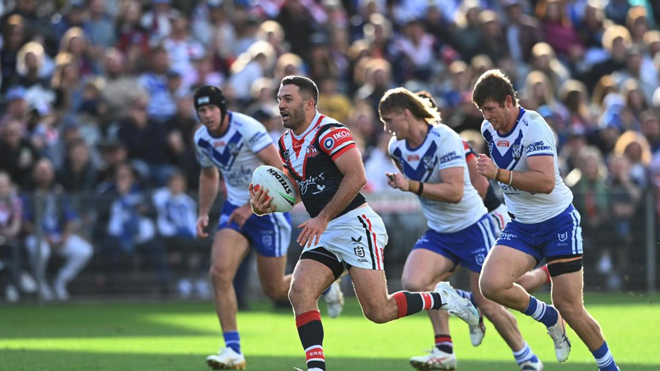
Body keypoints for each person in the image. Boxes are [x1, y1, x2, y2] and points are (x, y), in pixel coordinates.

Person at [250, 76, 479, 371]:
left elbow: (357, 177)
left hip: (356, 225)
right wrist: (265, 206)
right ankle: (316, 368)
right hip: (327, 229)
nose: (280, 105)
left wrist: (321, 217)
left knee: (378, 311)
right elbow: (296, 190)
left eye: (287, 99)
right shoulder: (285, 144)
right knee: (300, 291)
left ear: (309, 104)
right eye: (279, 99)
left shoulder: (329, 131)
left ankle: (441, 297)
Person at [380, 87, 543, 371]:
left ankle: (528, 358)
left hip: (473, 226)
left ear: (408, 115)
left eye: (389, 120)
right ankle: (445, 347)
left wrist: (412, 186)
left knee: (491, 299)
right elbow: (424, 186)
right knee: (415, 283)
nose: (385, 127)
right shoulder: (396, 148)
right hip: (440, 231)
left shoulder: (446, 138)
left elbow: (458, 191)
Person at [473, 69, 619, 371]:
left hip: (557, 223)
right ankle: (549, 318)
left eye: (490, 109)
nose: (487, 118)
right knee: (492, 285)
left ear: (509, 101)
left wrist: (498, 174)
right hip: (521, 225)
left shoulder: (534, 126)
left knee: (571, 306)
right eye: (482, 112)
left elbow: (544, 182)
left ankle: (609, 368)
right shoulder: (489, 130)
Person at [194, 85, 342, 370]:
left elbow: (280, 173)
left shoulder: (247, 128)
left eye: (212, 108)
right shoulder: (202, 138)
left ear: (222, 108)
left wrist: (251, 206)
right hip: (234, 209)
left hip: (267, 211)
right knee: (219, 273)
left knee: (274, 290)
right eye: (202, 110)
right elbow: (208, 174)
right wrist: (202, 212)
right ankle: (232, 350)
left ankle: (325, 284)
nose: (208, 115)